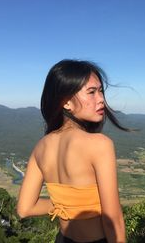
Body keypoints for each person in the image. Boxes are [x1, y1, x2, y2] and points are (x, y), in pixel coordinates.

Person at [17, 59, 128, 243]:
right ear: (66, 102)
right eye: (91, 92)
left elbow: (24, 208)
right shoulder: (100, 144)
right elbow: (112, 220)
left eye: (101, 91)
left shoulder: (41, 147)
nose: (101, 99)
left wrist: (67, 203)